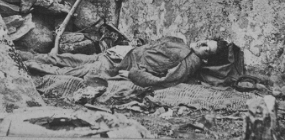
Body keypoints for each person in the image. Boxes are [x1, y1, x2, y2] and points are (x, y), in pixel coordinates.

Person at [23, 36, 229, 89]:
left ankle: (25, 66)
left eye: (205, 48)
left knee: (68, 71)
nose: (201, 43)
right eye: (204, 40)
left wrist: (131, 75)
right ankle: (15, 54)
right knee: (61, 58)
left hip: (115, 65)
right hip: (116, 53)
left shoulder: (189, 61)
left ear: (206, 57)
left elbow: (164, 81)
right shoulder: (183, 44)